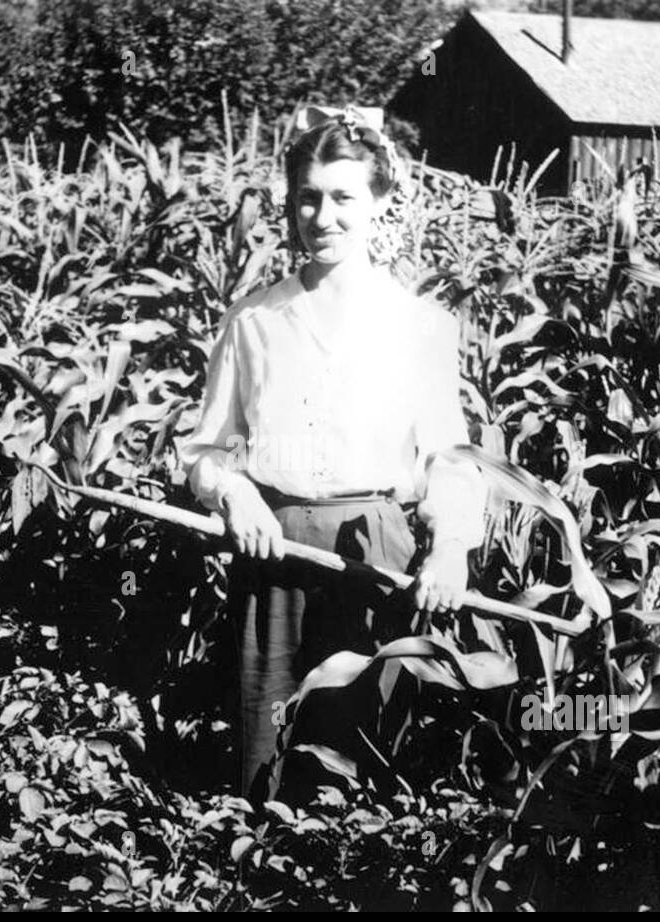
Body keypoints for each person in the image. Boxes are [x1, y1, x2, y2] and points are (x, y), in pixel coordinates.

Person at [179, 105, 486, 803]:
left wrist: (450, 550)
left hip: (373, 551)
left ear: (380, 203)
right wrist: (237, 492)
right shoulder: (254, 320)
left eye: (344, 197)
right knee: (270, 738)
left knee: (363, 746)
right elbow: (205, 450)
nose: (324, 216)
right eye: (308, 197)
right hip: (273, 552)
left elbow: (448, 456)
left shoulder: (417, 325)